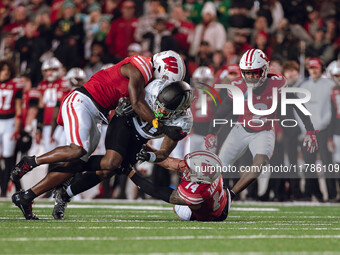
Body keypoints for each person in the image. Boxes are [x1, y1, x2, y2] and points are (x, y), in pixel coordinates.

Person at [11, 50, 186, 218]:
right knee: (77, 150)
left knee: (87, 163)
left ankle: (27, 197)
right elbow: (138, 102)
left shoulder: (148, 77)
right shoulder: (141, 66)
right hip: (83, 100)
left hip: (98, 113)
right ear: (163, 69)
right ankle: (32, 161)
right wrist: (161, 127)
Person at [204, 49, 318, 200]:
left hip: (264, 131)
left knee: (259, 164)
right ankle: (203, 196)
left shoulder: (277, 82)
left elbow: (298, 105)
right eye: (247, 72)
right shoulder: (238, 86)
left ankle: (230, 195)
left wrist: (310, 130)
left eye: (255, 72)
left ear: (264, 70)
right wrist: (212, 132)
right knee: (218, 168)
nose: (251, 77)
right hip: (240, 130)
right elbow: (221, 112)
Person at [128, 150, 231, 221]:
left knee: (176, 207)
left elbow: (157, 192)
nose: (189, 168)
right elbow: (169, 162)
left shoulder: (197, 193)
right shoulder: (211, 173)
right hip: (223, 200)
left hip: (209, 215)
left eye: (193, 169)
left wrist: (130, 173)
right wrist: (149, 155)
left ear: (200, 179)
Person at [0, 61, 23, 197]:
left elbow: (19, 108)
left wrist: (17, 128)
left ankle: (5, 190)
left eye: (8, 69)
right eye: (3, 69)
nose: (6, 72)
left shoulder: (15, 85)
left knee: (9, 158)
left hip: (9, 122)